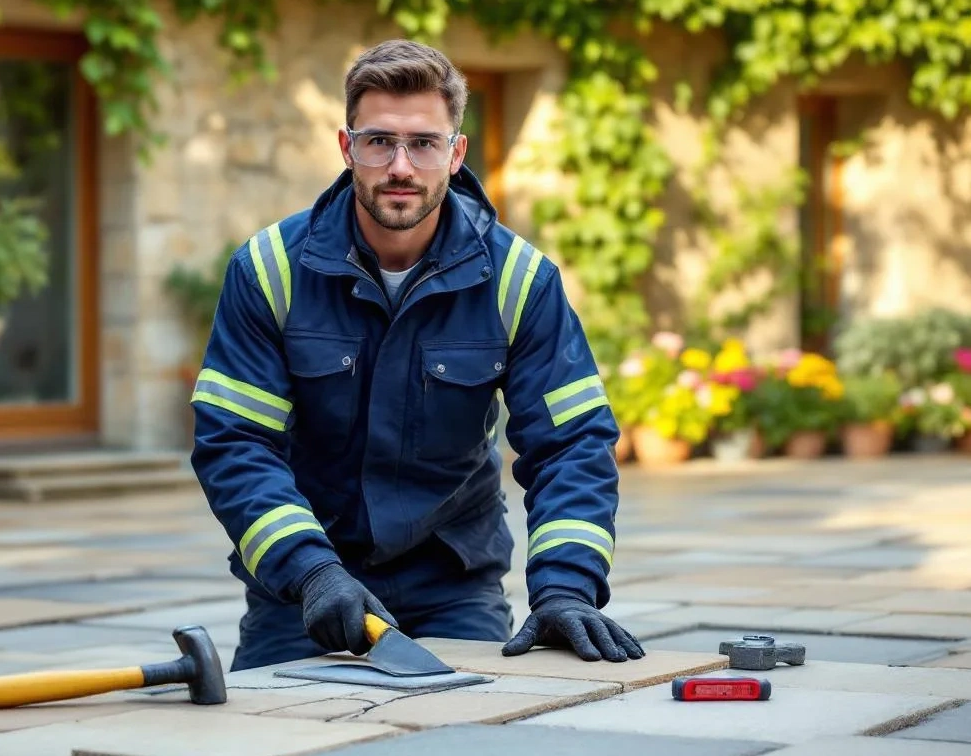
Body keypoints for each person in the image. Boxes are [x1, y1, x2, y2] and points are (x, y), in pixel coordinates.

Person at [189, 38, 644, 672]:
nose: (401, 165)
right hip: (305, 590)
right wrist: (310, 570)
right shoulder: (270, 270)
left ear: (456, 154)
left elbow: (571, 443)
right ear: (347, 149)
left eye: (424, 143)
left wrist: (566, 585)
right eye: (379, 142)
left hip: (453, 582)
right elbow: (235, 442)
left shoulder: (518, 279)